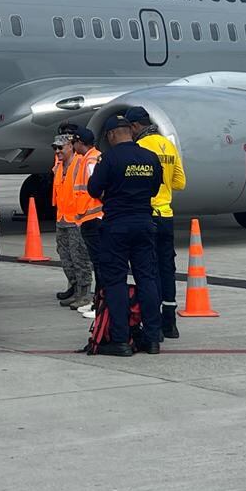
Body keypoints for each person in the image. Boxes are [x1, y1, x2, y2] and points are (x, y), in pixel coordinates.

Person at [86, 115, 163, 356]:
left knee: (116, 281)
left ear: (111, 135)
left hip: (117, 226)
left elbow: (93, 189)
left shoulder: (109, 159)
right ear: (130, 132)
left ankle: (120, 340)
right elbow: (154, 189)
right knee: (147, 279)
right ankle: (152, 339)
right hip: (144, 223)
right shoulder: (150, 158)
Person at [126, 106, 187, 339]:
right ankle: (170, 322)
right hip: (166, 216)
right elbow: (180, 182)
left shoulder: (140, 147)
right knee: (167, 268)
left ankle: (153, 322)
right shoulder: (168, 145)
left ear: (134, 126)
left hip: (147, 214)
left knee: (148, 271)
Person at [51, 133, 91, 310]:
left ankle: (85, 294)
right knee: (65, 257)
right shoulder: (59, 166)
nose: (57, 151)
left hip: (76, 220)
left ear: (71, 147)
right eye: (55, 148)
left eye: (60, 147)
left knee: (79, 257)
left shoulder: (80, 163)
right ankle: (75, 290)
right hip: (62, 218)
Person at [70, 128, 104, 318]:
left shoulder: (91, 161)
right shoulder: (90, 158)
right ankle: (97, 302)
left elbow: (98, 188)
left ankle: (100, 305)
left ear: (80, 143)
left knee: (99, 264)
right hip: (89, 216)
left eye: (74, 142)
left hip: (94, 217)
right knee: (97, 263)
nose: (72, 146)